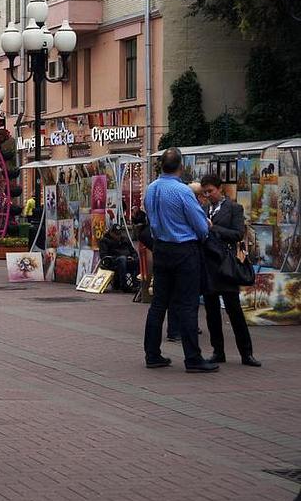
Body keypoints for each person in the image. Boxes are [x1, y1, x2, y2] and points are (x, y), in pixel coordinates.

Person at [142, 148, 218, 373]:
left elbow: (150, 216)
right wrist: (206, 228)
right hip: (184, 251)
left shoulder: (151, 189)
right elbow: (200, 226)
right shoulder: (182, 191)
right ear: (180, 167)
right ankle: (193, 358)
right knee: (187, 304)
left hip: (161, 249)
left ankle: (152, 354)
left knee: (158, 304)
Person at [199, 174, 261, 367]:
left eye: (211, 191)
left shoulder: (234, 208)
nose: (208, 195)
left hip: (226, 265)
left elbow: (237, 234)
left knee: (234, 310)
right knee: (211, 311)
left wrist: (213, 227)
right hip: (209, 265)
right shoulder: (203, 209)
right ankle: (218, 351)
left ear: (220, 189)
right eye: (205, 192)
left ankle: (246, 353)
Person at [98, 224, 138, 292]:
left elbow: (133, 251)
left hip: (127, 260)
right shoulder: (105, 241)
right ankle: (124, 286)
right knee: (122, 259)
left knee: (137, 260)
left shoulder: (125, 239)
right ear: (111, 233)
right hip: (112, 262)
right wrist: (118, 257)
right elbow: (103, 255)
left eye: (119, 234)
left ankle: (136, 284)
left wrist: (133, 257)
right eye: (116, 234)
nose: (118, 236)